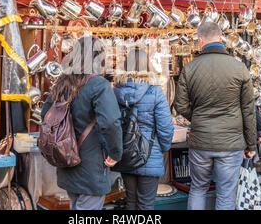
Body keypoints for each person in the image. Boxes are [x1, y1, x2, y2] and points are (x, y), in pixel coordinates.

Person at [174, 21, 257, 210]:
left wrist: (198, 118)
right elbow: (249, 110)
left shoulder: (190, 68)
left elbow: (180, 105)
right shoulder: (239, 68)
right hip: (231, 143)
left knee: (197, 188)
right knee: (226, 193)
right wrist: (251, 144)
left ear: (200, 40)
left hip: (201, 141)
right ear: (221, 39)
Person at [40, 36, 123, 210]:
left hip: (66, 160)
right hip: (90, 165)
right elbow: (110, 122)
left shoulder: (62, 83)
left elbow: (45, 115)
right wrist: (115, 153)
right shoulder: (99, 85)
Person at [112, 48, 174, 210]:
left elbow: (112, 123)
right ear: (147, 67)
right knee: (146, 204)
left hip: (125, 153)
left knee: (130, 202)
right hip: (150, 153)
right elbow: (165, 127)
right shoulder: (155, 92)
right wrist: (164, 148)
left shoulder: (116, 91)